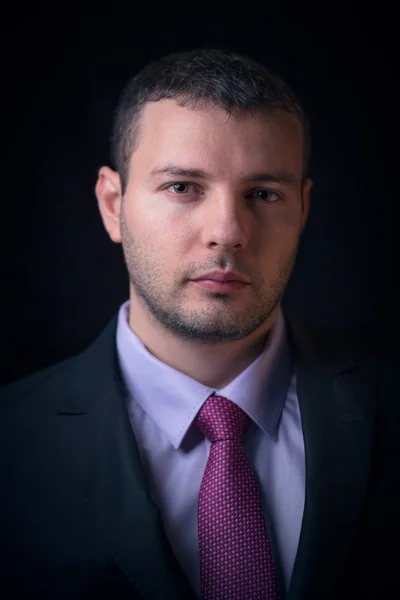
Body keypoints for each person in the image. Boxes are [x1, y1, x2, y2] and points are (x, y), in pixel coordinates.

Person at [0, 48, 398, 600]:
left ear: (302, 212)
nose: (228, 231)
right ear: (113, 205)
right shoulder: (11, 442)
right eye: (183, 187)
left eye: (263, 194)